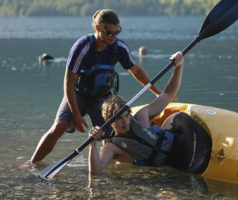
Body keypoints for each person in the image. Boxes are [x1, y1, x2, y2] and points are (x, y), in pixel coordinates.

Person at [30, 9, 161, 164]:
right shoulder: (82, 47)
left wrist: (157, 92)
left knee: (111, 136)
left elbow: (136, 70)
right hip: (78, 94)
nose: (114, 37)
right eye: (110, 33)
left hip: (102, 99)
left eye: (117, 32)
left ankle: (107, 168)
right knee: (59, 126)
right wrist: (76, 115)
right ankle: (32, 163)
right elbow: (69, 82)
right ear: (99, 28)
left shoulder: (119, 47)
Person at [89, 51, 212, 175]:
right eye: (119, 118)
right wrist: (92, 144)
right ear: (110, 121)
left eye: (126, 115)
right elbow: (96, 170)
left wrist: (179, 67)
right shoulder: (111, 147)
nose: (125, 121)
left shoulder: (142, 116)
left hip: (182, 144)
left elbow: (168, 94)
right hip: (172, 166)